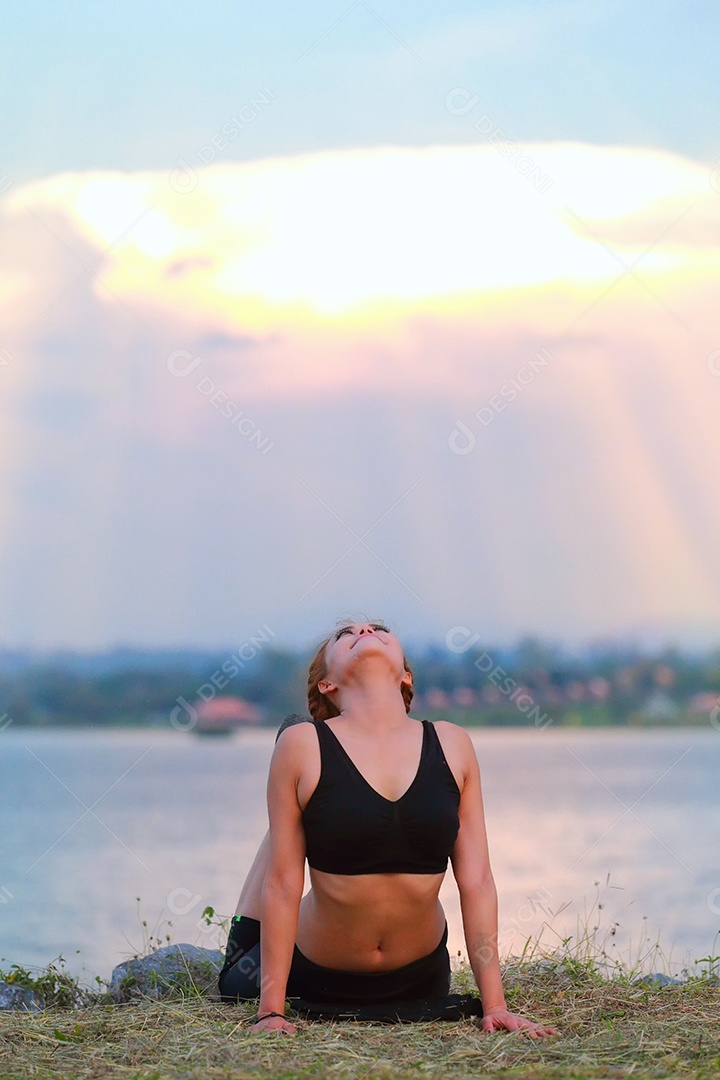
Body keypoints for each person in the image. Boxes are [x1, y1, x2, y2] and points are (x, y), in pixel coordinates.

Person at [218, 619, 557, 1038]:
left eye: (378, 629)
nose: (364, 631)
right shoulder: (303, 746)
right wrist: (271, 1011)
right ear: (326, 684)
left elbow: (478, 881)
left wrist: (496, 1006)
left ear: (405, 676)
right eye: (346, 635)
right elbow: (284, 883)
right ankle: (290, 818)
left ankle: (296, 815)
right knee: (235, 977)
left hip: (419, 978)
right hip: (311, 973)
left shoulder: (452, 744)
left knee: (313, 810)